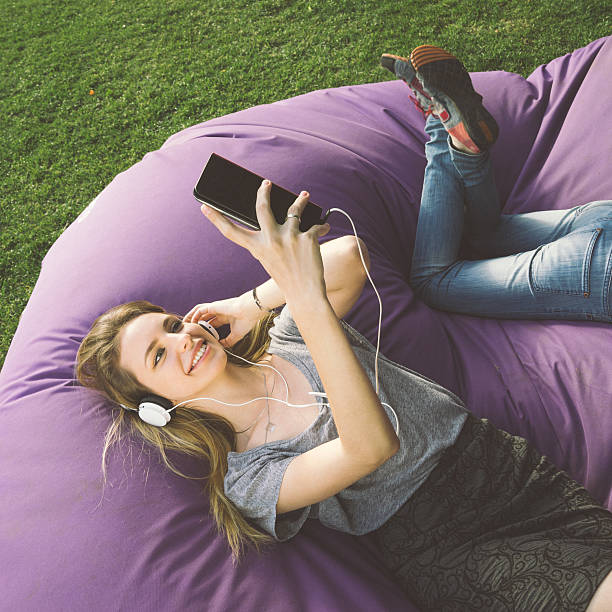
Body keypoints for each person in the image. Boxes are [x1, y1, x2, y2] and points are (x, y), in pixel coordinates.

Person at [75, 45, 612, 611]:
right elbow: (369, 448)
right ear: (153, 405)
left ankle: (444, 131)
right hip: (448, 543)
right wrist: (302, 301)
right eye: (158, 356)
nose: (182, 341)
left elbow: (350, 255)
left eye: (172, 326)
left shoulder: (285, 338)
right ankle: (446, 134)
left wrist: (250, 302)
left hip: (506, 468)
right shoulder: (250, 477)